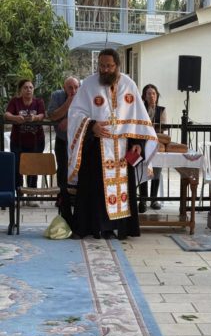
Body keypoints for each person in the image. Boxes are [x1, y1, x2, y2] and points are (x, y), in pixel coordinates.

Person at [67, 48, 158, 240]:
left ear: (117, 66)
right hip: (96, 147)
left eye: (109, 66)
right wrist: (91, 126)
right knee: (96, 189)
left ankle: (119, 228)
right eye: (102, 66)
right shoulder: (88, 85)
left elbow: (138, 118)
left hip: (123, 149)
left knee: (123, 189)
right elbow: (75, 113)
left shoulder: (129, 85)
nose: (105, 70)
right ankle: (96, 227)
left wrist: (137, 143)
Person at [4, 79, 45, 206]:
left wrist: (34, 117)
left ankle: (31, 196)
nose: (28, 90)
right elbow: (7, 114)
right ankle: (19, 196)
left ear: (33, 89)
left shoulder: (39, 102)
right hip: (18, 141)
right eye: (25, 87)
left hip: (36, 141)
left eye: (31, 87)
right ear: (21, 90)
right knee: (17, 168)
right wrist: (15, 118)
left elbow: (42, 115)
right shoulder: (15, 101)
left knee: (33, 168)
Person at [47, 77, 80, 200]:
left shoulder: (83, 95)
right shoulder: (57, 96)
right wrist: (68, 102)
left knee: (78, 169)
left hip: (78, 140)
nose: (74, 90)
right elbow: (52, 116)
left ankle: (76, 198)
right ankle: (62, 199)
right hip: (62, 139)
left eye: (76, 87)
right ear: (64, 88)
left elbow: (88, 114)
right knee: (62, 169)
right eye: (70, 88)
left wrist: (69, 120)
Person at [139, 83, 167, 212]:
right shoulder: (140, 109)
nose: (152, 96)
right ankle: (143, 200)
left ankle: (154, 199)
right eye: (149, 93)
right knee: (143, 170)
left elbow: (163, 127)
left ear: (157, 95)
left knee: (156, 170)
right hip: (142, 145)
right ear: (144, 96)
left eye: (154, 93)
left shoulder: (161, 110)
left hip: (156, 145)